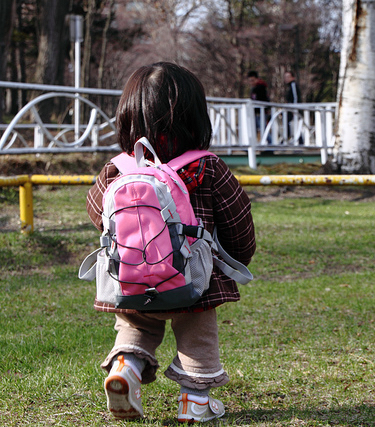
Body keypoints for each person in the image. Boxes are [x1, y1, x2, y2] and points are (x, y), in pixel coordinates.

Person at [86, 62, 256, 423]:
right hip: (195, 282)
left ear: (127, 117)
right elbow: (238, 222)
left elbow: (96, 212)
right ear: (197, 117)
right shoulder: (207, 168)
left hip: (131, 278)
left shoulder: (117, 169)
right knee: (197, 336)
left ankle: (125, 369)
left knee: (135, 326)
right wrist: (236, 261)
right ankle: (195, 401)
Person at [247, 70, 272, 144]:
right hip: (256, 113)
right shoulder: (254, 88)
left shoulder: (261, 88)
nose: (251, 82)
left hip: (261, 112)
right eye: (250, 81)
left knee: (263, 129)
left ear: (257, 79)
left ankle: (270, 143)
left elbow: (263, 100)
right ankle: (253, 144)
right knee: (256, 129)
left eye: (252, 80)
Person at [284, 70, 302, 145]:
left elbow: (295, 97)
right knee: (290, 124)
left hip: (293, 109)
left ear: (293, 77)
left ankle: (297, 140)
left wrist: (295, 108)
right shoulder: (289, 86)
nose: (286, 79)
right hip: (290, 109)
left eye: (288, 77)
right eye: (285, 77)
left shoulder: (293, 85)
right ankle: (295, 139)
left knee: (294, 124)